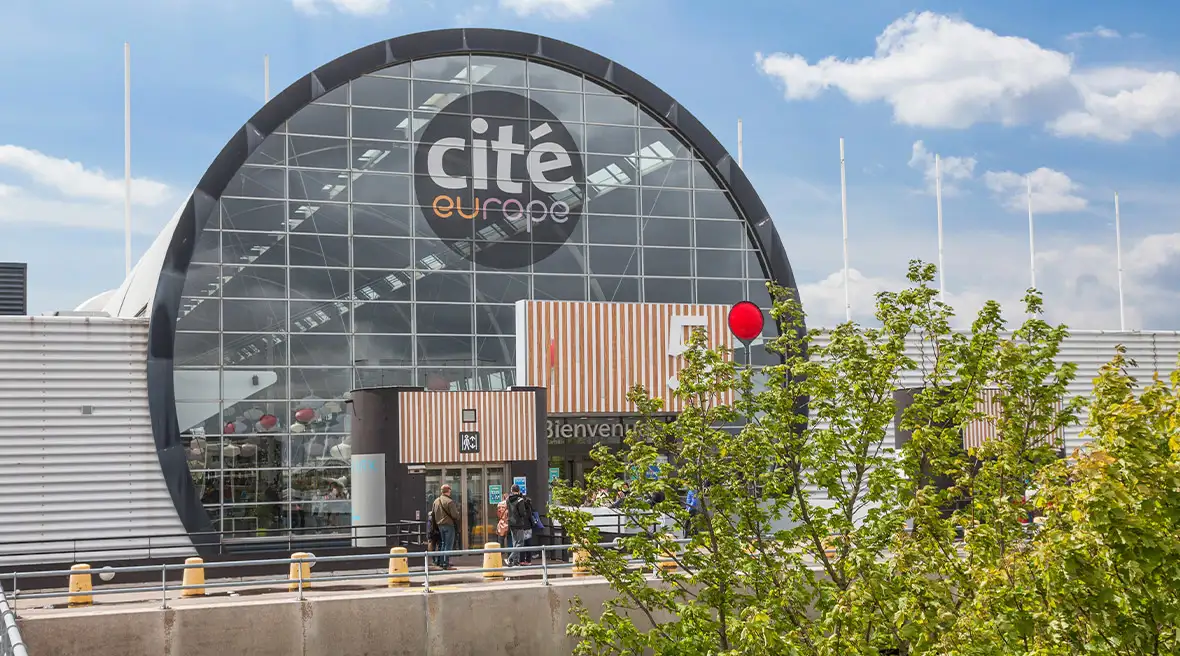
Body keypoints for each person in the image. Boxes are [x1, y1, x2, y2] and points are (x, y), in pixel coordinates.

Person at [431, 484, 461, 569]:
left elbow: (433, 514)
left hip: (440, 525)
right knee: (448, 545)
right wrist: (458, 514)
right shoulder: (449, 501)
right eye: (450, 490)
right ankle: (446, 564)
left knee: (443, 544)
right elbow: (455, 515)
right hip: (449, 525)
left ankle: (441, 562)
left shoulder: (436, 501)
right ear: (448, 490)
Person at [506, 484, 533, 567]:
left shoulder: (508, 499)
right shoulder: (520, 500)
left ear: (511, 490)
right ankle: (510, 558)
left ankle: (515, 561)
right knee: (520, 543)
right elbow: (522, 513)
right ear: (518, 490)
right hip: (518, 523)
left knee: (515, 542)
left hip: (511, 523)